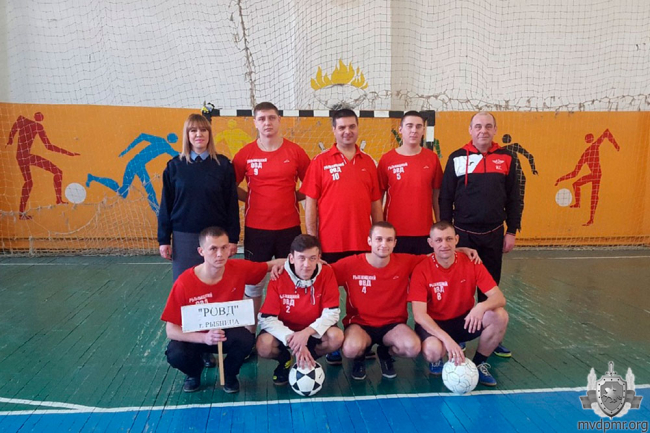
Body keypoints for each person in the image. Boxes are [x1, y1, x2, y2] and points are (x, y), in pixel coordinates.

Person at [161, 226, 285, 393]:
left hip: (224, 334)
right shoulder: (184, 283)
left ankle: (229, 374)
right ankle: (194, 373)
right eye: (213, 249)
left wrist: (309, 262)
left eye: (224, 247)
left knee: (246, 340)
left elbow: (271, 264)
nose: (220, 254)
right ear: (201, 251)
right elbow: (171, 330)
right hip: (196, 338)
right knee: (175, 353)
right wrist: (204, 338)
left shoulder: (239, 269)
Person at [439, 111, 519, 357]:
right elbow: (445, 198)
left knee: (489, 287)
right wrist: (448, 235)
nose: (483, 130)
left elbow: (514, 198)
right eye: (478, 126)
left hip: (494, 234)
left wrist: (511, 231)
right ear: (470, 130)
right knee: (461, 289)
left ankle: (491, 335)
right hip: (463, 235)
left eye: (488, 126)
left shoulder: (507, 158)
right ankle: (461, 334)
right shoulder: (456, 158)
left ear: (495, 130)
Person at [233, 102, 311, 332]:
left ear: (279, 120)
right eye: (262, 119)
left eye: (271, 118)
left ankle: (293, 333)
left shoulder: (295, 152)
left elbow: (312, 185)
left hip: (290, 229)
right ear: (255, 123)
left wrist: (291, 197)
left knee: (293, 280)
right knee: (254, 284)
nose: (267, 123)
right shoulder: (245, 153)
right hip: (257, 230)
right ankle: (248, 334)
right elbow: (230, 186)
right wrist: (250, 198)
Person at [409, 221, 509, 386]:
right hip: (435, 324)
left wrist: (481, 306)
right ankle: (438, 357)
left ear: (456, 239)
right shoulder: (421, 269)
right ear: (430, 243)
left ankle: (479, 364)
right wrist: (447, 340)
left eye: (449, 239)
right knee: (433, 350)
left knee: (500, 316)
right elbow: (419, 315)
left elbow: (499, 297)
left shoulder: (471, 261)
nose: (444, 244)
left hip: (464, 320)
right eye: (439, 240)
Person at [328, 222, 423, 380]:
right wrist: (290, 265)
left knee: (412, 347)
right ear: (369, 241)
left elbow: (437, 257)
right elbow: (322, 273)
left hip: (393, 325)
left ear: (395, 243)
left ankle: (385, 353)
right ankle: (360, 356)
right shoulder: (350, 264)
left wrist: (461, 251)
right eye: (379, 239)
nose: (384, 244)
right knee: (351, 349)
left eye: (389, 240)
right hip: (360, 324)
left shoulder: (406, 262)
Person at [158, 113, 240, 282]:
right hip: (184, 236)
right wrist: (164, 239)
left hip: (216, 236)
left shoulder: (223, 165)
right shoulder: (174, 166)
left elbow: (231, 204)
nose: (198, 134)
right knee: (184, 284)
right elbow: (166, 205)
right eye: (193, 130)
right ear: (187, 135)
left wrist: (233, 238)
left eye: (203, 130)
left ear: (209, 134)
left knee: (216, 284)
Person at [256, 235, 343, 385]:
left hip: (312, 331)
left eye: (312, 258)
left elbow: (332, 313)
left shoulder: (327, 273)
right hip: (287, 332)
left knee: (337, 337)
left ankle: (308, 359)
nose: (306, 264)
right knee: (264, 345)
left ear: (319, 258)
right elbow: (267, 318)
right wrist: (295, 340)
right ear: (291, 258)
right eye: (301, 258)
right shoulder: (279, 275)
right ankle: (285, 360)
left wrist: (306, 333)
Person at [301, 109, 383, 264]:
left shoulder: (369, 162)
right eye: (342, 127)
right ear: (334, 130)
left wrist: (380, 237)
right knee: (329, 280)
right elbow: (310, 203)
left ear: (357, 128)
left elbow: (376, 204)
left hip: (363, 242)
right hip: (330, 243)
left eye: (352, 127)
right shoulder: (319, 161)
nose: (347, 131)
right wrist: (312, 241)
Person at [378, 111, 443, 254]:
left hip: (425, 231)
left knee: (424, 268)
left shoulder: (432, 158)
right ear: (400, 129)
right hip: (393, 232)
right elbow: (378, 196)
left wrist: (439, 224)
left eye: (418, 126)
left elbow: (437, 195)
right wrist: (378, 227)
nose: (414, 130)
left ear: (423, 131)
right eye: (409, 126)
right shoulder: (387, 159)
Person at [6, 112, 80, 219]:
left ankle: (23, 213)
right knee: (57, 172)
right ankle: (58, 200)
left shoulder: (25, 121)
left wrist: (11, 139)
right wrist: (69, 153)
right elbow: (48, 146)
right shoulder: (36, 125)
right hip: (26, 157)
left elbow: (15, 126)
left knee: (29, 182)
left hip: (21, 157)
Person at [86, 132, 179, 213]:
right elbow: (142, 136)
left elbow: (175, 153)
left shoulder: (163, 144)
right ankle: (93, 178)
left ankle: (158, 212)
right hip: (134, 165)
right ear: (173, 140)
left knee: (143, 191)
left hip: (138, 166)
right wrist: (126, 150)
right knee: (127, 192)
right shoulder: (162, 143)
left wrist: (127, 150)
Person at [554, 129, 620, 226]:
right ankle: (578, 204)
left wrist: (616, 145)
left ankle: (591, 219)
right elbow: (574, 173)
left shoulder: (594, 147)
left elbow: (606, 132)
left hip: (597, 175)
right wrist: (560, 179)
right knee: (576, 184)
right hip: (594, 175)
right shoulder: (585, 154)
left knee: (593, 196)